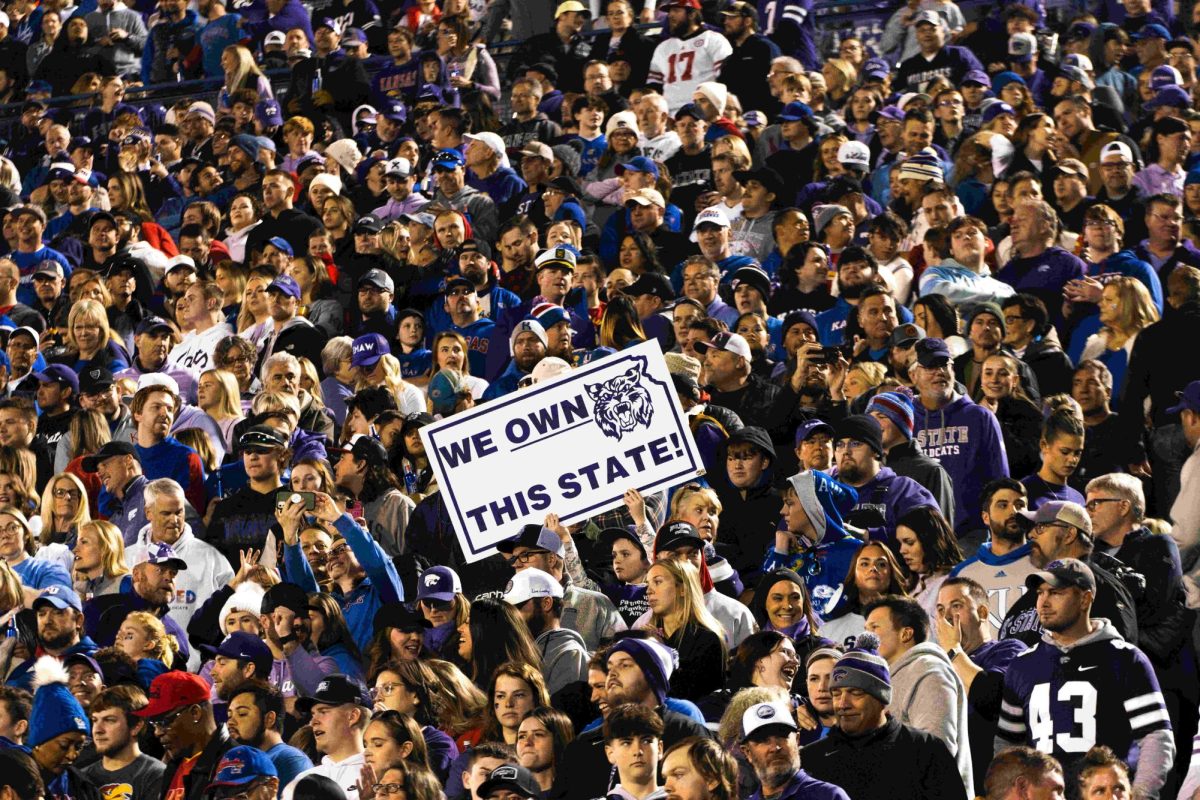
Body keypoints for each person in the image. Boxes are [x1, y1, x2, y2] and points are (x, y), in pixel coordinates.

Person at [995, 558, 1174, 800]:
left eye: (1056, 592)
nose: (1043, 603)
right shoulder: (1022, 665)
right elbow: (1008, 748)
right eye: (1040, 593)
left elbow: (1156, 737)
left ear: (1085, 599)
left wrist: (1141, 796)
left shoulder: (1125, 658)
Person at [802, 633, 969, 800]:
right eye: (837, 694)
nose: (843, 704)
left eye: (856, 693)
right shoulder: (812, 759)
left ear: (881, 698)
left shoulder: (926, 750)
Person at [555, 638, 710, 800]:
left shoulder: (687, 733)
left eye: (625, 665)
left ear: (652, 677)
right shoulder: (582, 746)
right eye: (610, 667)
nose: (612, 673)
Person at [863, 595, 973, 794]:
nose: (865, 637)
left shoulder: (928, 671)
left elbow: (935, 750)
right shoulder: (888, 678)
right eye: (865, 630)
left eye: (874, 628)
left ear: (905, 634)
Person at [912, 337, 1009, 541]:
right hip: (917, 537)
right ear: (914, 376)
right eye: (930, 366)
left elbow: (999, 482)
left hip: (970, 534)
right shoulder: (906, 419)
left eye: (944, 364)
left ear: (953, 370)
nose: (939, 372)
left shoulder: (980, 417)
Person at [951, 479, 1038, 635]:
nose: (1013, 512)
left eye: (1020, 505)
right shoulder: (962, 574)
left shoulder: (1048, 564)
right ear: (985, 517)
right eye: (1003, 505)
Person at [135, 671, 233, 800]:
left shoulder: (234, 763)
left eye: (164, 722)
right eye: (154, 723)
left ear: (195, 713)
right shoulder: (174, 764)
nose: (157, 732)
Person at [503, 568, 589, 696]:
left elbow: (562, 712)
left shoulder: (571, 654)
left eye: (518, 607)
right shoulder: (518, 650)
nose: (512, 616)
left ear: (546, 603)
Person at [738, 699, 848, 800]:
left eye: (782, 736)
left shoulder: (828, 796)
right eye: (762, 740)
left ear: (797, 739)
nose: (775, 748)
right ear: (747, 752)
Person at [82, 684, 167, 800]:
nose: (98, 730)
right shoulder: (82, 777)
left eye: (109, 720)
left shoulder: (156, 775)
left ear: (136, 726)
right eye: (95, 720)